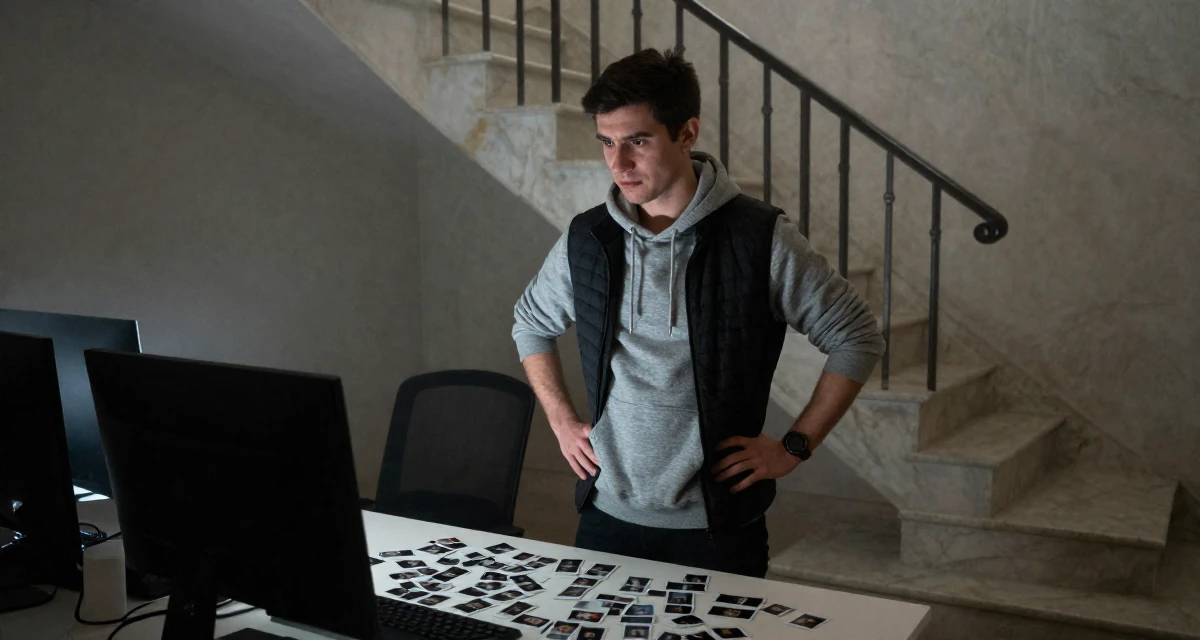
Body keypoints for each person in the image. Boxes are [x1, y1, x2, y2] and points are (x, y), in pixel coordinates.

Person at [511, 47, 884, 578]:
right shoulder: (588, 239)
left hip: (717, 530)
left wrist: (794, 446)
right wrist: (562, 420)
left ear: (687, 133)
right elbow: (530, 323)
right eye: (607, 142)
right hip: (605, 518)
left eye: (637, 141)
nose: (619, 163)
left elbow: (857, 336)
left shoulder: (759, 240)